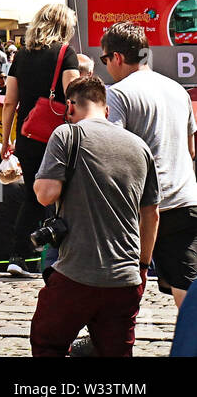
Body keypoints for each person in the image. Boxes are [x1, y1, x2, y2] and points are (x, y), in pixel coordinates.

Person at [29, 74, 159, 358]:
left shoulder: (66, 135)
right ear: (107, 110)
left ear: (71, 107)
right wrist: (143, 266)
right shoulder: (140, 147)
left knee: (47, 343)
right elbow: (151, 214)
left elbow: (45, 194)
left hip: (76, 273)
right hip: (125, 279)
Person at [101, 21, 197, 308]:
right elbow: (192, 149)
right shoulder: (177, 90)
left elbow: (114, 151)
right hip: (185, 199)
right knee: (186, 287)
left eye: (105, 59)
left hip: (141, 208)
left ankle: (107, 342)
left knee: (118, 281)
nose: (105, 66)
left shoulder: (118, 94)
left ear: (117, 57)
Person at [1, 2, 80, 277]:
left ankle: (17, 255)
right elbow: (75, 99)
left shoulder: (21, 55)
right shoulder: (65, 54)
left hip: (27, 135)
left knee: (34, 197)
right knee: (65, 196)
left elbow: (10, 102)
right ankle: (61, 258)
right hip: (58, 138)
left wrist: (5, 140)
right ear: (64, 27)